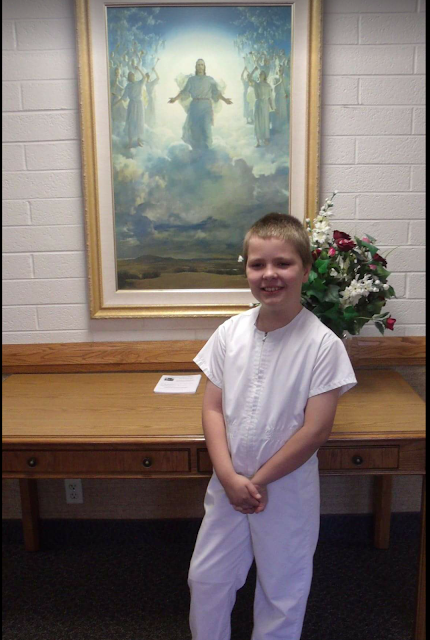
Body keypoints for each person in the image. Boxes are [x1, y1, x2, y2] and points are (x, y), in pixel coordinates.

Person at [188, 213, 357, 640]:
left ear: (306, 268)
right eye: (257, 264)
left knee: (282, 589)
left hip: (285, 488)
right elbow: (212, 408)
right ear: (246, 269)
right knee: (207, 579)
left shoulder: (322, 345)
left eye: (283, 263)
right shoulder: (229, 333)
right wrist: (229, 477)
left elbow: (315, 431)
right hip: (229, 484)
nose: (269, 274)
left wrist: (258, 482)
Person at [168, 58, 232, 150]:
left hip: (206, 106)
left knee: (206, 128)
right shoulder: (191, 80)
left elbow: (216, 93)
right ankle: (196, 151)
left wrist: (225, 100)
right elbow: (184, 92)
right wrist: (175, 99)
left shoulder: (209, 79)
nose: (200, 67)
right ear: (196, 67)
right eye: (198, 65)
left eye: (202, 65)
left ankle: (207, 151)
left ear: (204, 67)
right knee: (194, 129)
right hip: (194, 106)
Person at [113, 65, 146, 148]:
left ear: (134, 76)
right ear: (129, 78)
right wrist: (116, 103)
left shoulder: (139, 83)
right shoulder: (128, 86)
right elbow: (124, 97)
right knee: (131, 121)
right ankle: (130, 142)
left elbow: (144, 77)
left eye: (132, 75)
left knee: (139, 121)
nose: (132, 77)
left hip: (139, 104)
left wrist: (139, 69)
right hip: (132, 105)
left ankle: (138, 140)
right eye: (130, 76)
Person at [249, 68, 274, 147]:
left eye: (261, 73)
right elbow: (249, 78)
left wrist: (272, 106)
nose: (260, 74)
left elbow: (270, 97)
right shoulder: (256, 84)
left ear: (264, 76)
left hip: (265, 105)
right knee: (257, 122)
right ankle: (258, 142)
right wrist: (254, 70)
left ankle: (265, 139)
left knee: (265, 122)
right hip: (258, 104)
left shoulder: (267, 85)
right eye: (259, 74)